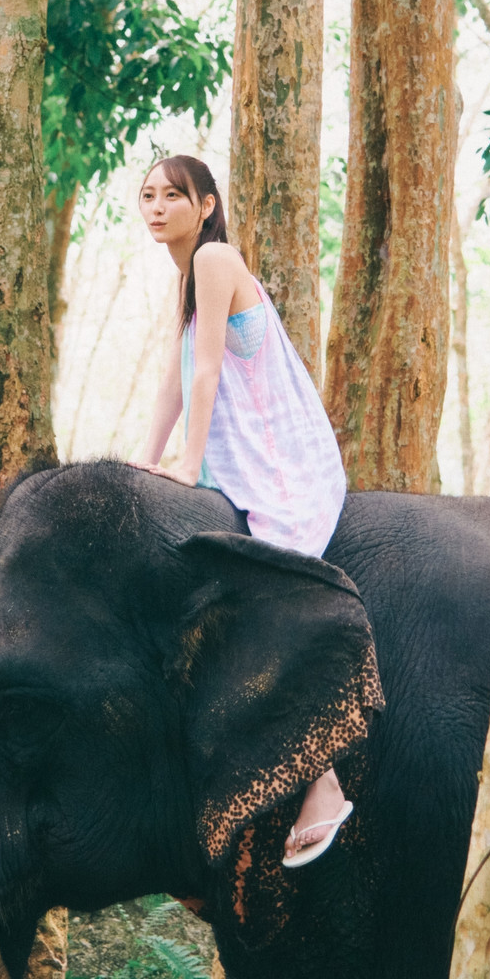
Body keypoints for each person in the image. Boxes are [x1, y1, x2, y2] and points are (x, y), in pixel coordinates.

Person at [135, 154, 352, 867]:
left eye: (174, 194)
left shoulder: (218, 257)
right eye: (148, 195)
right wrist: (145, 455)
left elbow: (205, 374)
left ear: (207, 204)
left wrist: (188, 464)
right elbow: (176, 373)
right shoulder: (187, 281)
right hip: (248, 469)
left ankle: (323, 783)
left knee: (261, 607)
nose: (158, 205)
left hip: (282, 468)